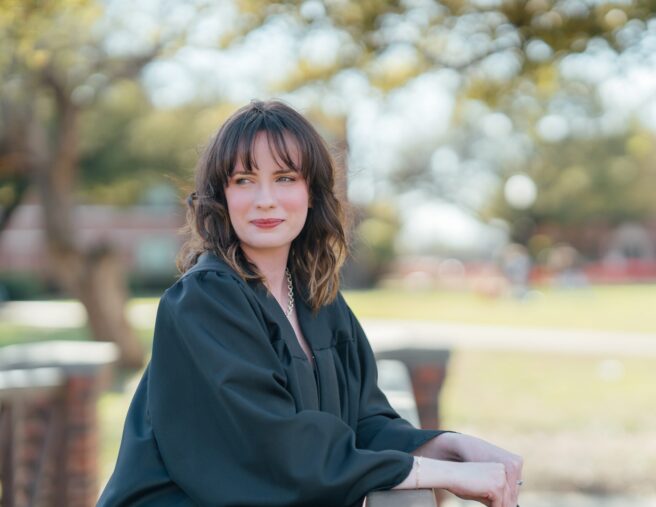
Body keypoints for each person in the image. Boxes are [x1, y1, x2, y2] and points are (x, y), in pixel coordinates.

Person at [98, 100, 523, 507]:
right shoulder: (204, 302)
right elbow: (277, 454)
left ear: (312, 193)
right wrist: (439, 475)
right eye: (244, 180)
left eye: (285, 178)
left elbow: (363, 423)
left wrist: (449, 446)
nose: (266, 198)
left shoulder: (317, 298)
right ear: (222, 197)